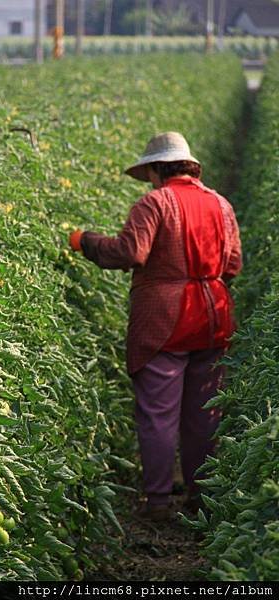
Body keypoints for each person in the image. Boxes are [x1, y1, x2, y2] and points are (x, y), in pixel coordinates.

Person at [69, 132, 242, 522]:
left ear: (157, 169)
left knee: (159, 413)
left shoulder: (156, 202)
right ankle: (201, 499)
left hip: (165, 319)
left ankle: (160, 502)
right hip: (214, 315)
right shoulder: (220, 204)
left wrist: (87, 242)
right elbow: (232, 265)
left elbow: (130, 252)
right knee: (204, 413)